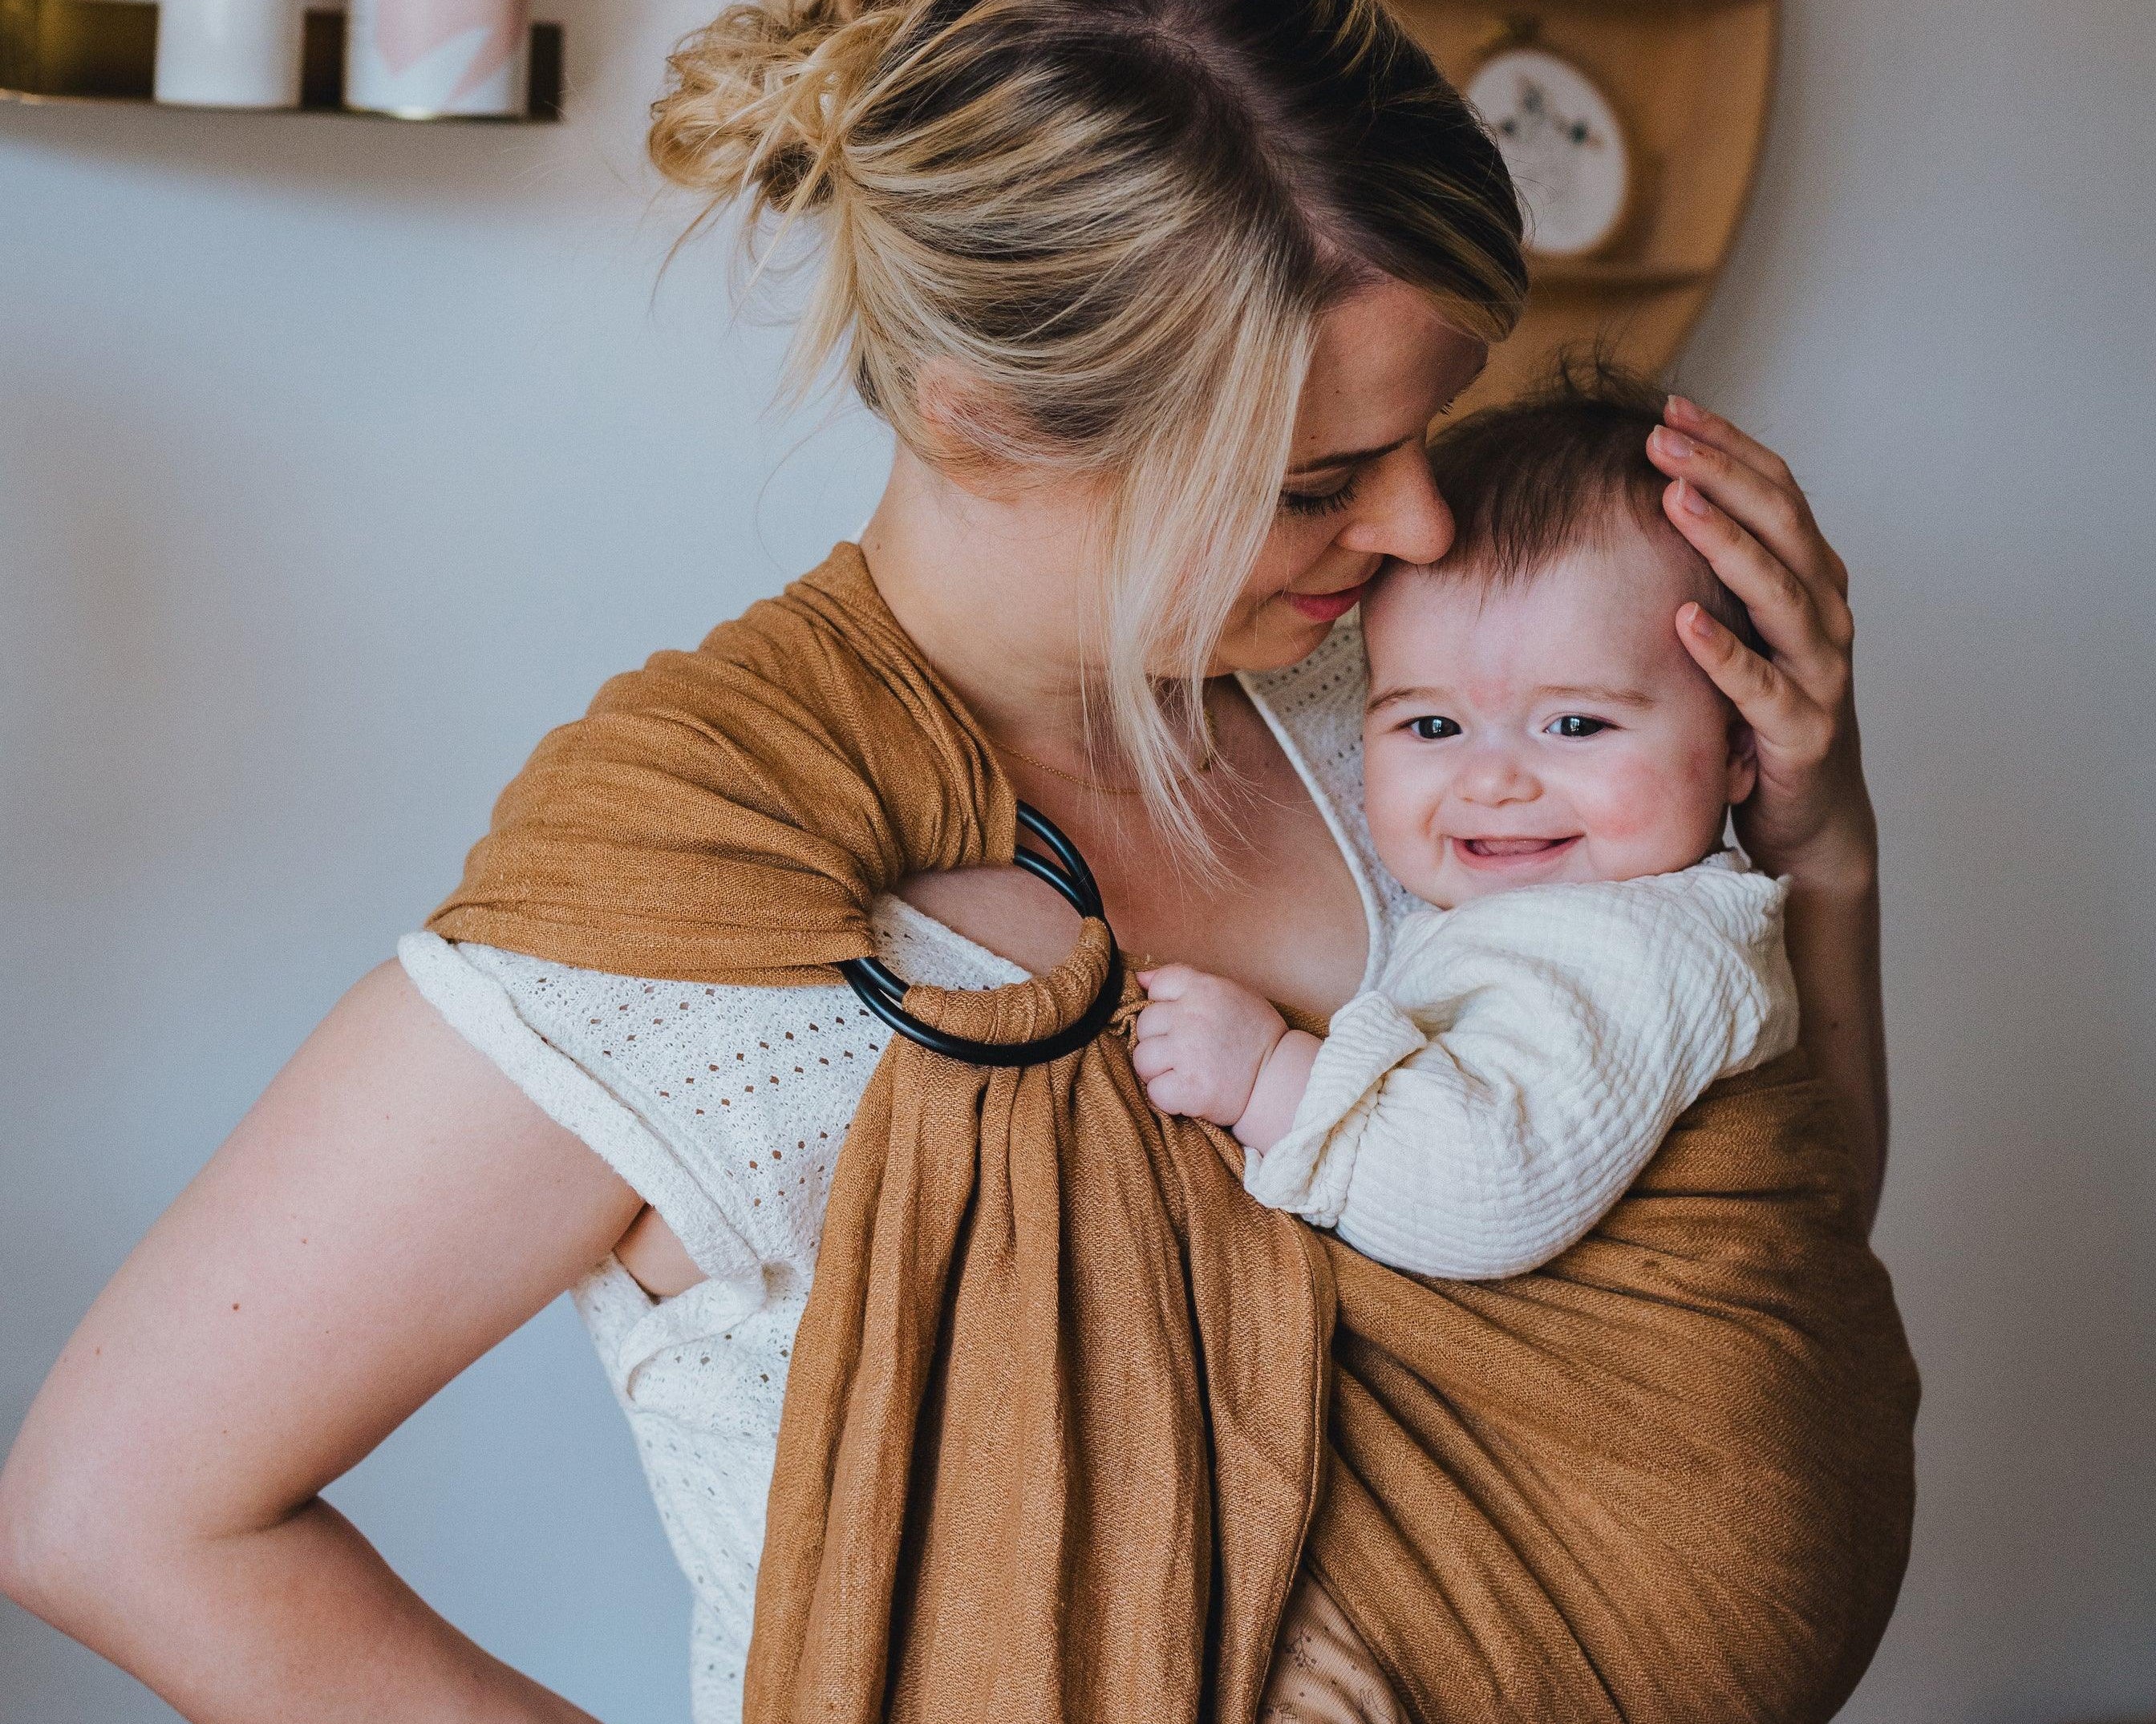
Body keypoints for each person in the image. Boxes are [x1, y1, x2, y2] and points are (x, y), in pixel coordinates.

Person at [0, 3, 1895, 1721]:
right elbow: (117, 1516)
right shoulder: (703, 891)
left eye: (1431, 433)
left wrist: (1817, 844)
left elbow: (1735, 1280)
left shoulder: (1418, 711)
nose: (1415, 525)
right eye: (1318, 477)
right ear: (982, 421)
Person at [1131, 364, 1806, 1279]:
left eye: (1576, 724)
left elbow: (1483, 1200)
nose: (1490, 781)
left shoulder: (1646, 951)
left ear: (1739, 746)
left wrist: (1270, 1078)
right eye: (1432, 726)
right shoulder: (1554, 914)